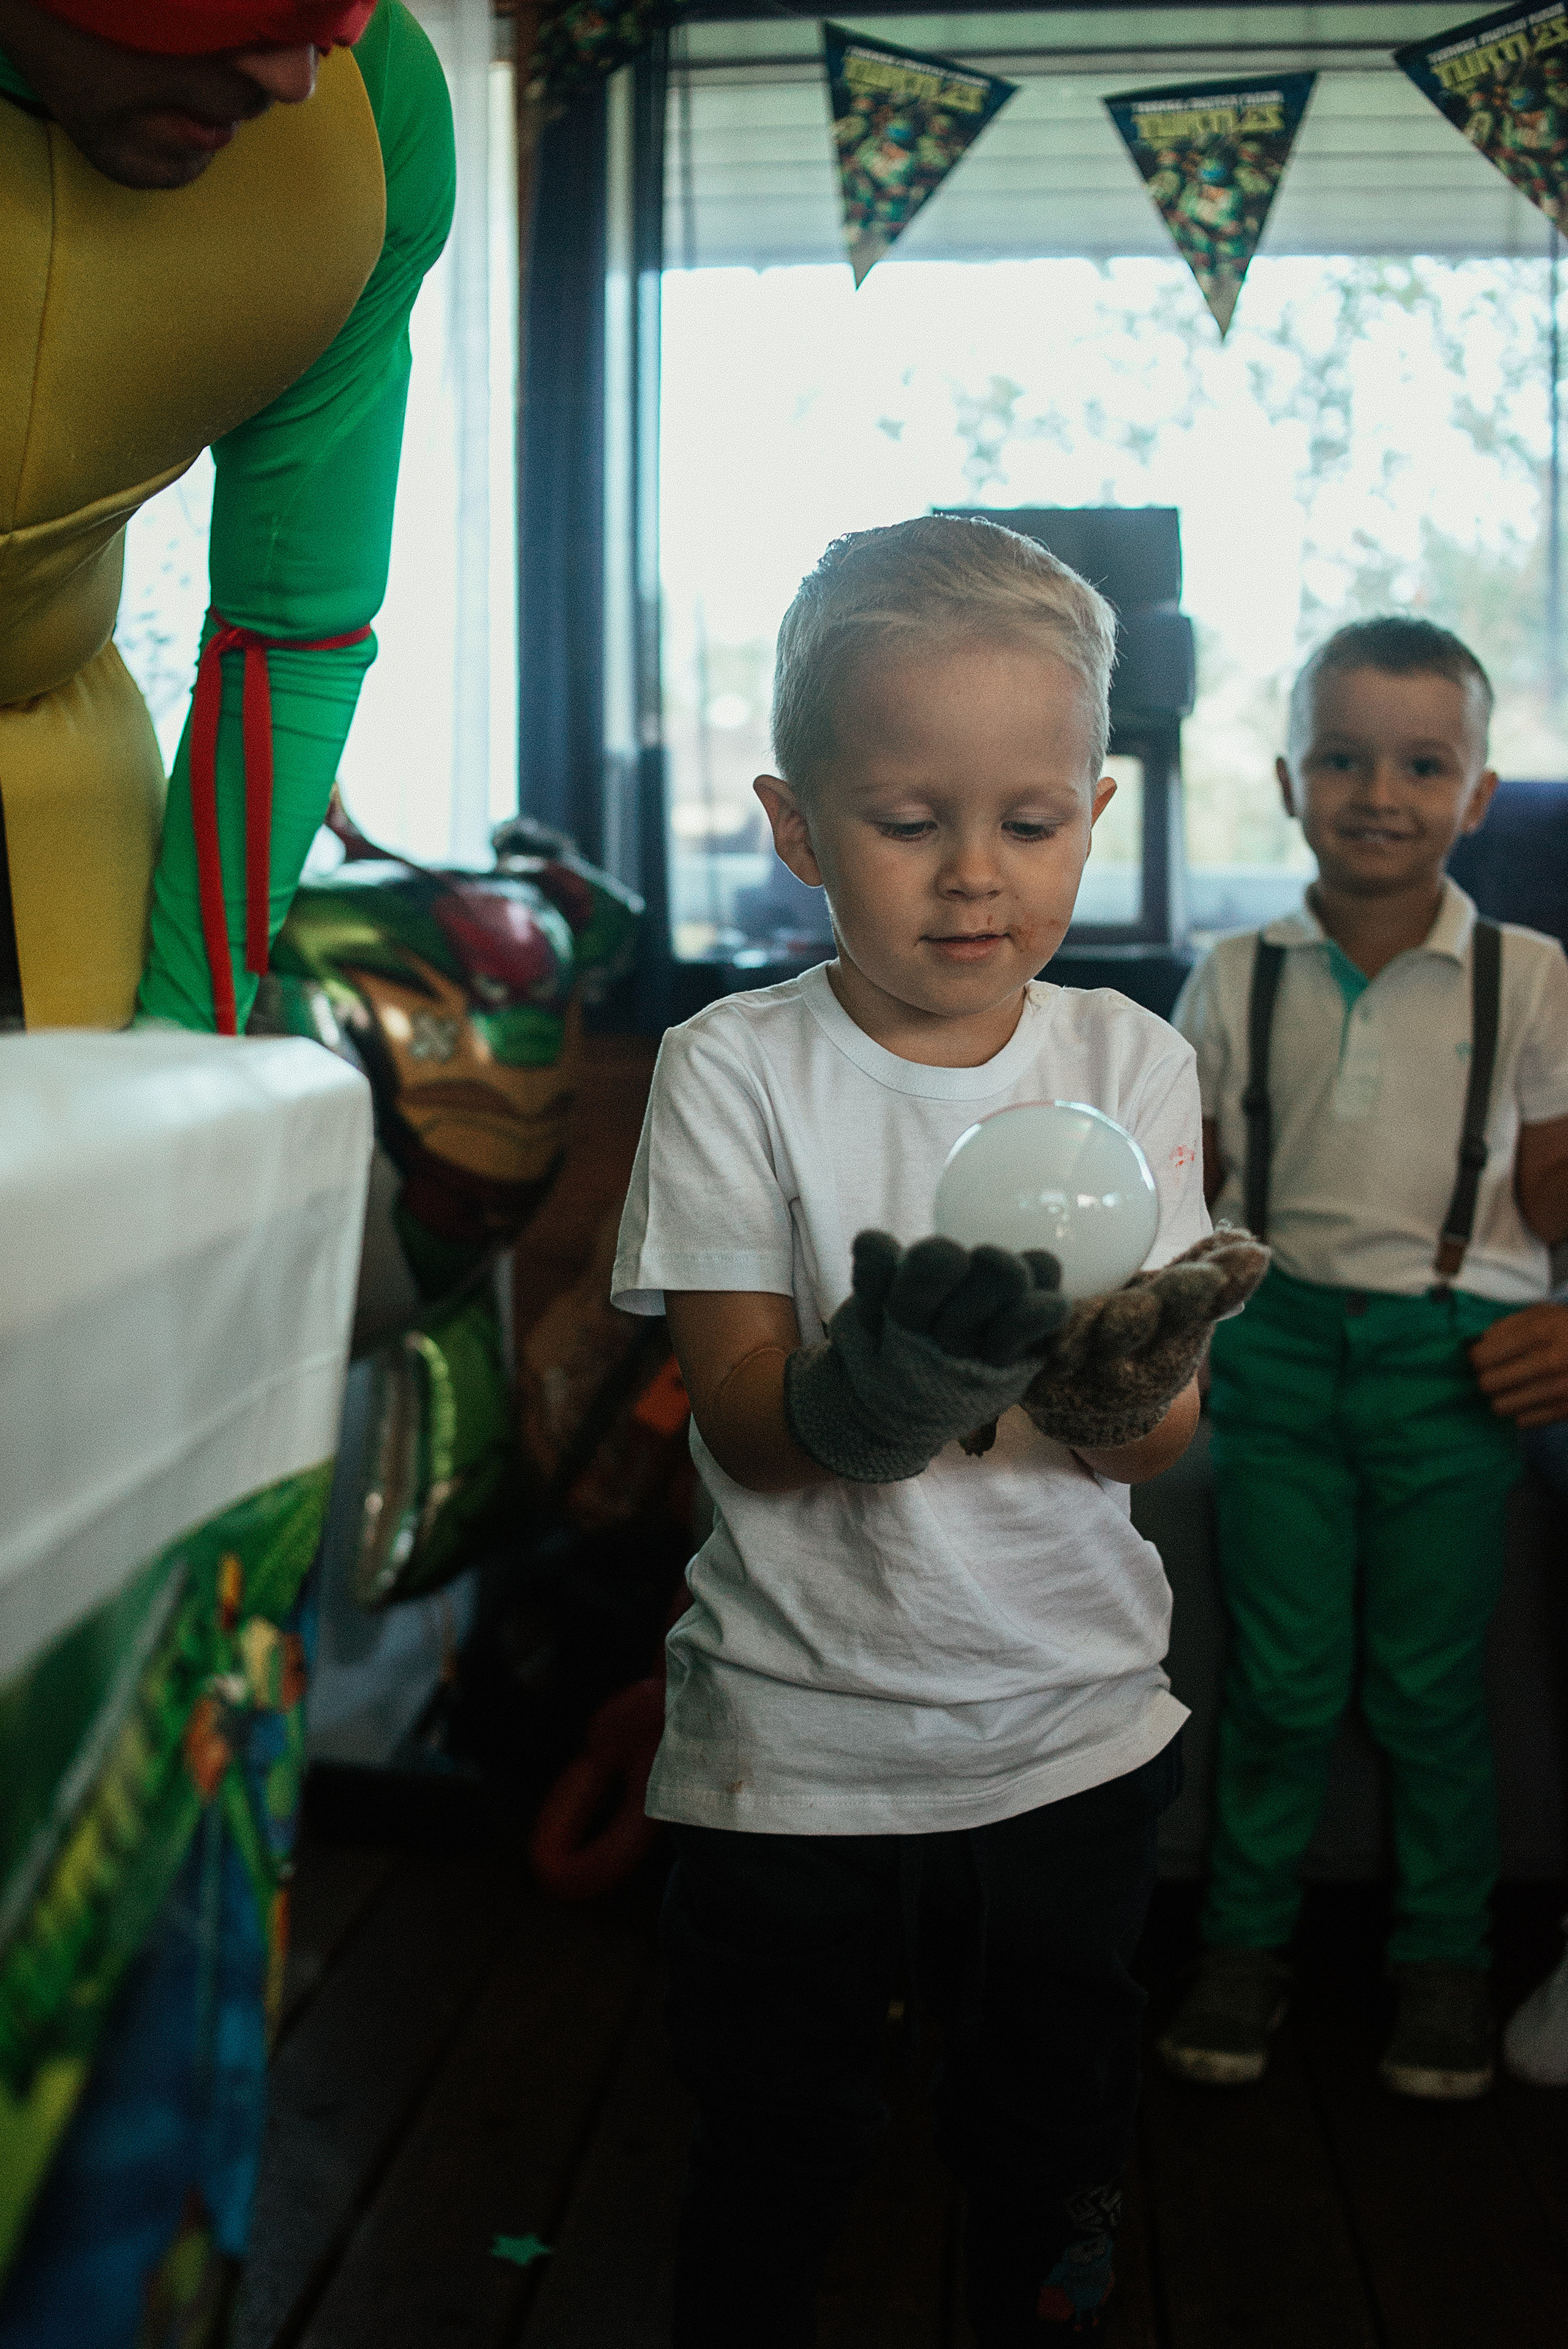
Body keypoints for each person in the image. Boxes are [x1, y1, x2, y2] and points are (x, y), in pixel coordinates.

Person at [611, 515, 1267, 2346]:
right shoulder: (730, 1065)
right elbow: (747, 1426)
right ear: (801, 824)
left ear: (1097, 808)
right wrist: (872, 1390)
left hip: (1068, 1721)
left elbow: (1161, 1448)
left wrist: (1126, 1385)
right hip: (796, 1740)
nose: (975, 877)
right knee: (778, 2128)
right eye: (909, 821)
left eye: (1032, 822)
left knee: (1051, 2118)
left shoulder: (1129, 1061)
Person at [1162, 616, 1568, 2101]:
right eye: (1340, 757)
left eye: (1420, 763)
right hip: (1272, 1358)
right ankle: (1240, 1948)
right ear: (1285, 780)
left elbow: (1552, 1187)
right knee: (1279, 1679)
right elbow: (1173, 1185)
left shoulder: (1527, 979)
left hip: (1451, 1367)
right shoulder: (1227, 976)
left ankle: (1442, 1964)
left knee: (1422, 1684)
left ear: (1475, 794)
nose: (1376, 791)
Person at [0, 0, 454, 1036]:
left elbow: (292, 622)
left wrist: (186, 1032)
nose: (295, 76)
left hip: (63, 799)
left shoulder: (375, 107)